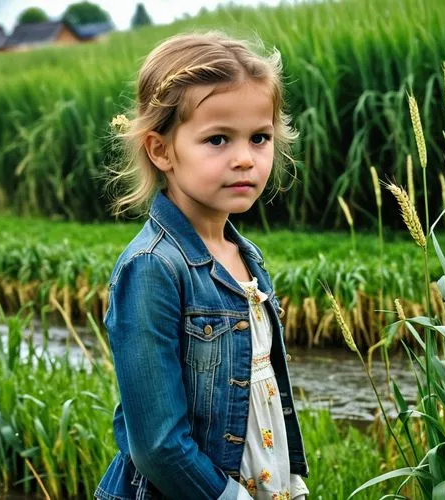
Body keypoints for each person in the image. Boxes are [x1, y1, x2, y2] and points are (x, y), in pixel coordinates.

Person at [95, 30, 309, 500]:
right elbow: (157, 445)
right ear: (161, 150)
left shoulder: (244, 255)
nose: (244, 159)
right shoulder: (153, 268)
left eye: (259, 138)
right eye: (217, 139)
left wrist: (291, 481)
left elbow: (263, 395)